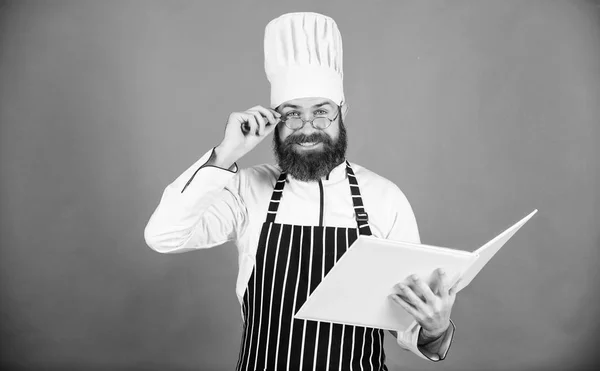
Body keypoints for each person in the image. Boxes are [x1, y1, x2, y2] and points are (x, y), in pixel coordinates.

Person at [145, 12, 459, 370]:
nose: (307, 128)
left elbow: (408, 321)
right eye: (292, 114)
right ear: (274, 121)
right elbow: (163, 236)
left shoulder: (384, 199)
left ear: (343, 112)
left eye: (321, 112)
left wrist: (434, 328)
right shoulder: (247, 190)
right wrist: (225, 154)